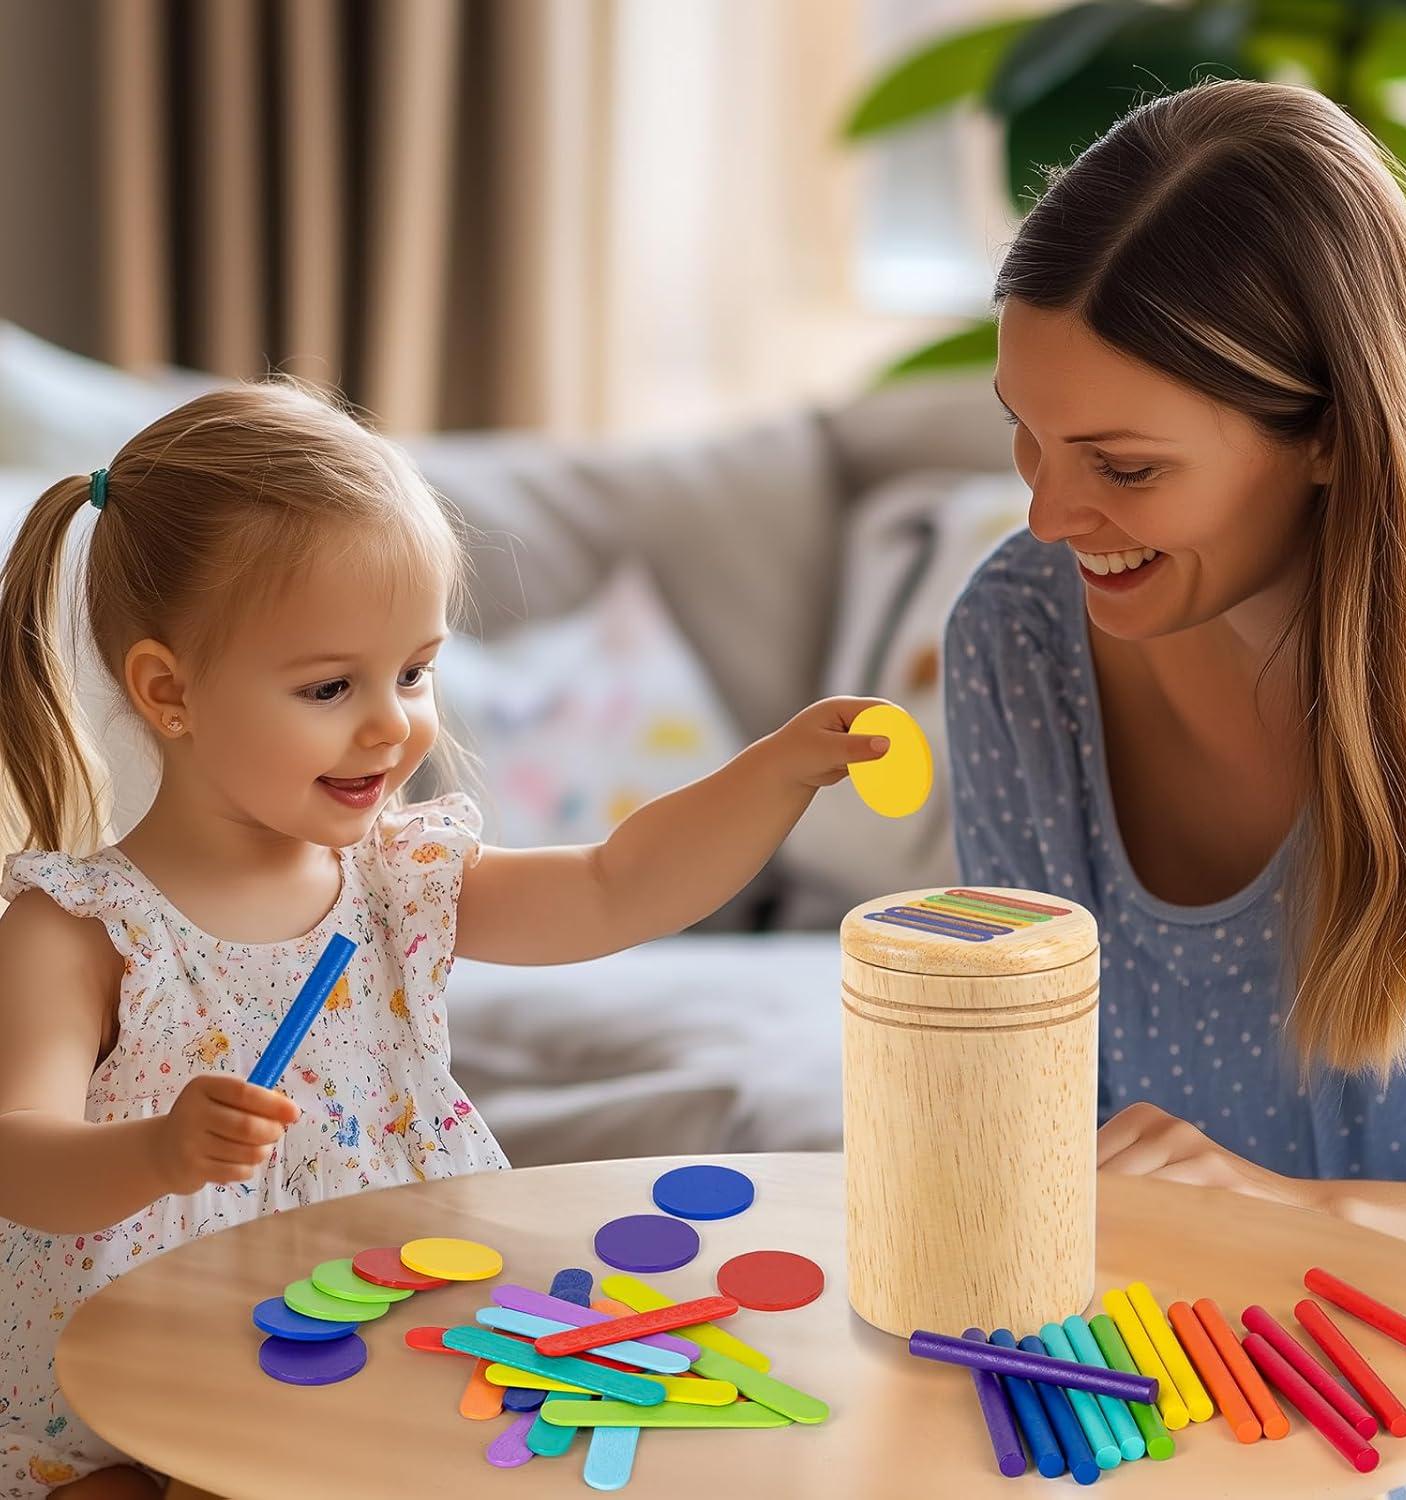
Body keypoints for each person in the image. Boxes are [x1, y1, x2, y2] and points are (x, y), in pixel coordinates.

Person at [0, 380, 890, 1498]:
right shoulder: (83, 928)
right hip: (142, 1374)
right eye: (331, 686)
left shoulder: (400, 879)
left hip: (384, 1348)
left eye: (414, 671)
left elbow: (618, 886)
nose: (393, 723)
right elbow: (18, 1157)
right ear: (168, 691)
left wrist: (777, 773)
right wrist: (157, 1154)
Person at [943, 78, 1406, 1494]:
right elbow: (1021, 1130)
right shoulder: (1019, 640)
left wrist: (1300, 1215)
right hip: (1183, 1397)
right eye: (1026, 432)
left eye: (1125, 468)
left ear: (1331, 434)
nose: (1048, 515)